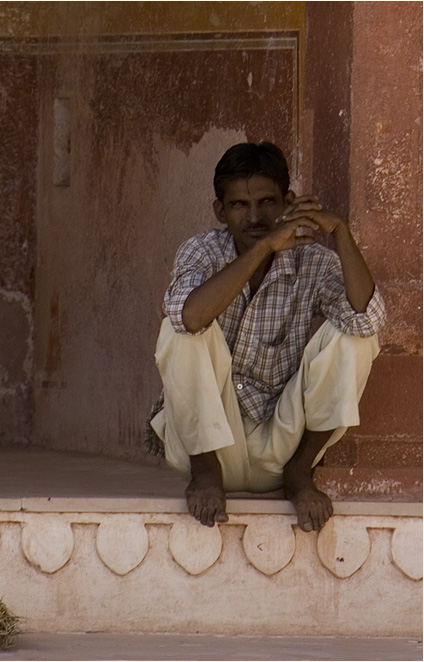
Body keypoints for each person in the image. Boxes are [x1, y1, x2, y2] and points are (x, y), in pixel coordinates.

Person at [145, 142, 384, 532]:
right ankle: (205, 475)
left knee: (357, 336)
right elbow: (189, 316)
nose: (255, 216)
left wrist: (340, 230)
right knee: (180, 329)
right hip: (209, 448)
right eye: (239, 205)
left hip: (282, 446)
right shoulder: (202, 251)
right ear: (220, 211)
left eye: (268, 202)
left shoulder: (312, 259)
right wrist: (261, 250)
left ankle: (300, 476)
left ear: (287, 202)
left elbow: (367, 317)